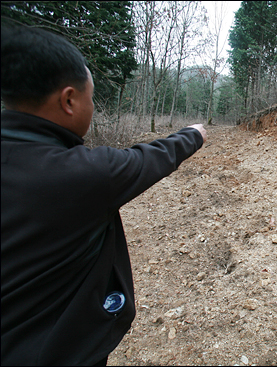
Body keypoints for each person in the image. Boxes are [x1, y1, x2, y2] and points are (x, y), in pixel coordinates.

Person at [1, 24, 207, 366]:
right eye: (91, 97)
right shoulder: (80, 175)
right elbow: (149, 159)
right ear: (69, 100)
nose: (93, 105)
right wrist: (194, 133)